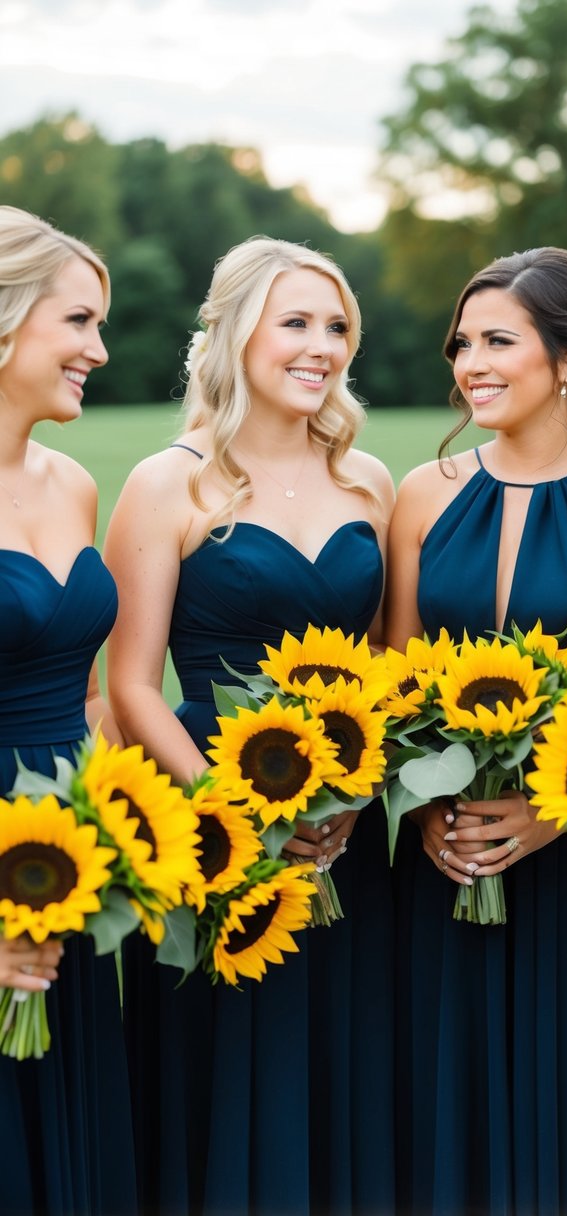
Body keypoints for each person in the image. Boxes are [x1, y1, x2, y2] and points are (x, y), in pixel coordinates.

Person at [386, 246, 567, 1216]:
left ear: (566, 360)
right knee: (445, 1118)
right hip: (446, 868)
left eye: (497, 340)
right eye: (461, 342)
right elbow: (398, 678)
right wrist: (429, 816)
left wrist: (554, 815)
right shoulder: (420, 496)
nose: (469, 360)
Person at [104, 234, 396, 1216]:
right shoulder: (168, 482)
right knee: (213, 1080)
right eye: (296, 322)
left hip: (339, 841)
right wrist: (235, 815)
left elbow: (384, 673)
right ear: (234, 334)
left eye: (337, 326)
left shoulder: (371, 483)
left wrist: (346, 811)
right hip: (205, 830)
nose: (322, 345)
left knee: (333, 1075)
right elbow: (133, 683)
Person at [0, 205, 136, 1215]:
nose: (99, 347)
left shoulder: (75, 484)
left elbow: (88, 695)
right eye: (78, 322)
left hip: (69, 862)